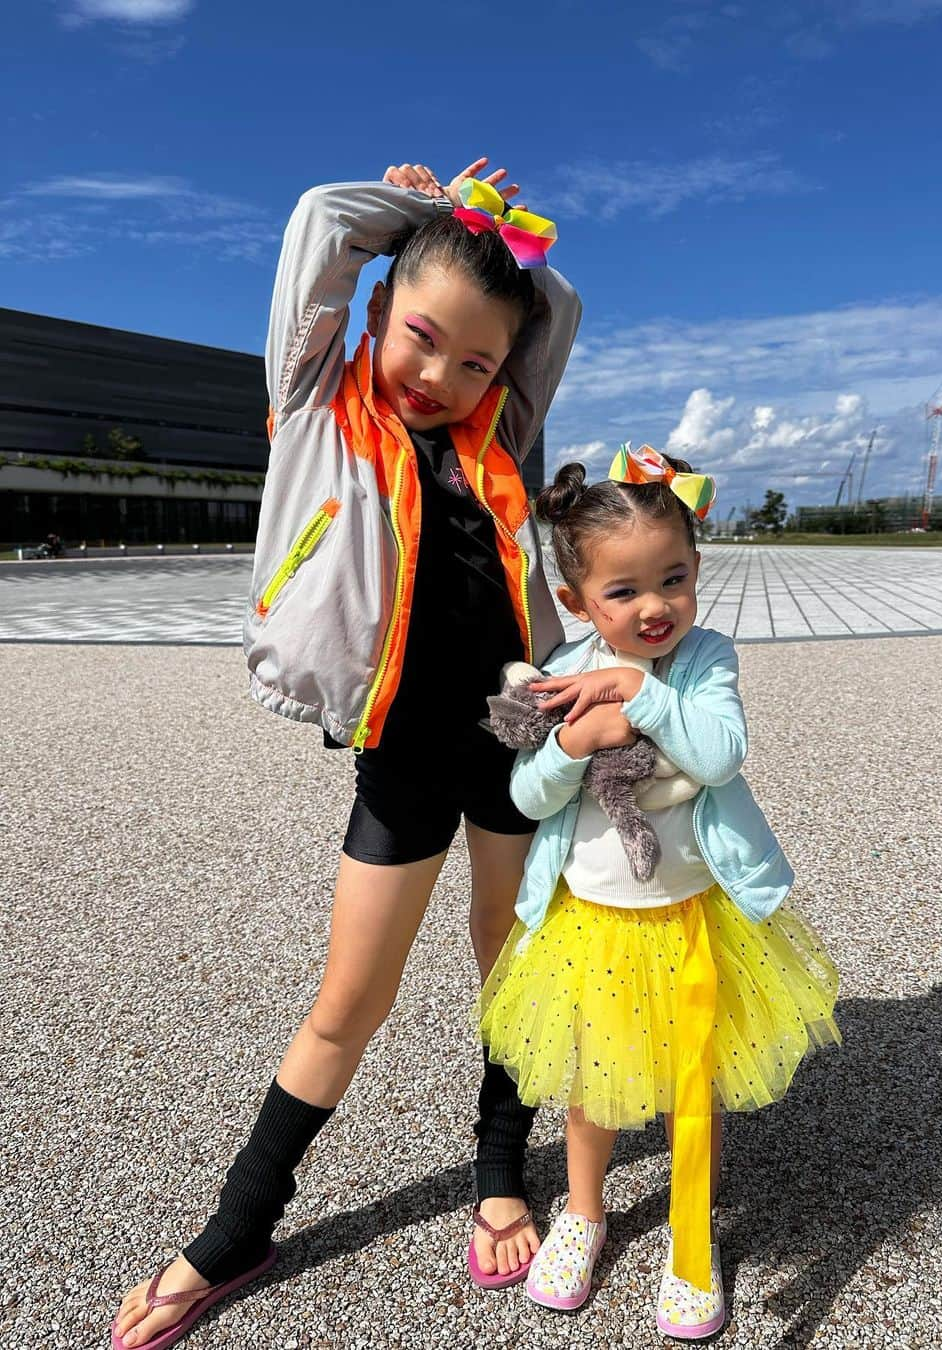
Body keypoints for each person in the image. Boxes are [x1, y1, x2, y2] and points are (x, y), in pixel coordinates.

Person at [111, 156, 580, 1349]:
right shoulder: (321, 400)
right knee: (345, 1004)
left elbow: (556, 311)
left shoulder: (501, 430)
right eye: (423, 341)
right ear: (374, 314)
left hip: (518, 743)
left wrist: (491, 251)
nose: (444, 377)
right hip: (404, 753)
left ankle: (498, 1173)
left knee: (508, 977)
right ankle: (236, 1228)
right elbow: (322, 222)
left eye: (477, 361)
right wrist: (430, 213)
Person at [477, 447, 841, 1339]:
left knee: (694, 1081)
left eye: (672, 579)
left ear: (697, 572)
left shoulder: (704, 659)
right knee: (592, 1082)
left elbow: (717, 755)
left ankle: (690, 1234)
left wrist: (634, 690)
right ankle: (585, 1212)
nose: (654, 607)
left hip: (692, 917)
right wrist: (572, 742)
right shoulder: (558, 666)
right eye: (625, 591)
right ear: (577, 601)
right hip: (590, 921)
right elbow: (524, 798)